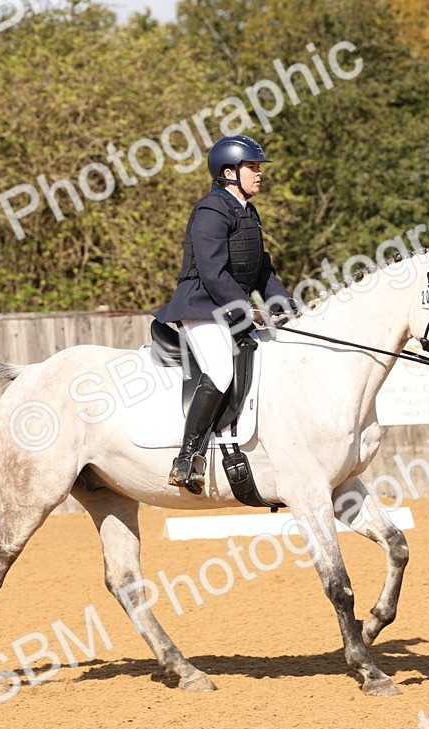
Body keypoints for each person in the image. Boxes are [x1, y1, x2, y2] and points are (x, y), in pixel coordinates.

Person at [153, 134, 294, 494]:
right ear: (229, 172)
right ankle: (187, 457)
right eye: (252, 167)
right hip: (201, 305)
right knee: (220, 368)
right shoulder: (211, 210)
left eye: (259, 167)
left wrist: (286, 307)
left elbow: (262, 271)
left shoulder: (246, 210)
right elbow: (214, 273)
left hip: (226, 307)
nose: (259, 173)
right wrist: (246, 309)